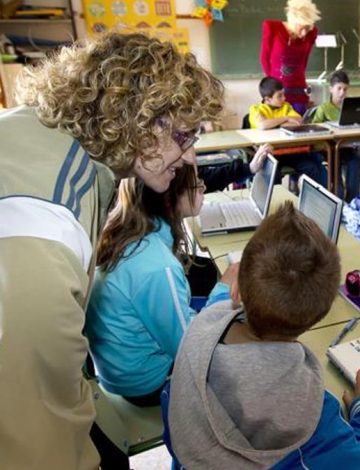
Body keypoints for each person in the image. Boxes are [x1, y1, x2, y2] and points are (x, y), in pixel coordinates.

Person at [0, 32, 225, 469]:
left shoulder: (34, 136)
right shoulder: (49, 222)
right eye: (184, 135)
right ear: (138, 122)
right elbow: (38, 442)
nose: (190, 156)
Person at [167, 202, 360, 469]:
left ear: (236, 292)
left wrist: (224, 291)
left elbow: (216, 308)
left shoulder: (199, 329)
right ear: (317, 318)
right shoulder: (310, 416)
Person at [86, 163, 249, 407]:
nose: (203, 189)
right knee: (246, 353)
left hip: (117, 367)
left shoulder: (124, 230)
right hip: (145, 384)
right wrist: (224, 290)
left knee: (209, 292)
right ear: (171, 199)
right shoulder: (157, 266)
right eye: (197, 185)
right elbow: (191, 349)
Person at [249, 76, 327, 187]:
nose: (284, 98)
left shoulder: (286, 106)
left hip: (290, 151)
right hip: (270, 154)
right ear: (267, 99)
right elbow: (262, 125)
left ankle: (311, 200)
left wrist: (273, 124)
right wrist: (285, 119)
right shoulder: (256, 109)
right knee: (272, 172)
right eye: (279, 96)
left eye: (283, 94)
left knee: (312, 167)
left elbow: (299, 121)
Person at [260, 0, 321, 114]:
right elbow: (264, 58)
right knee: (278, 125)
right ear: (293, 20)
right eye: (301, 27)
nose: (304, 33)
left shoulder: (311, 33)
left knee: (299, 123)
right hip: (277, 92)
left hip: (299, 90)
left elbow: (304, 61)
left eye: (307, 28)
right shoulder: (272, 27)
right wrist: (272, 87)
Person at [311, 69, 360, 201]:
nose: (342, 93)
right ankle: (338, 199)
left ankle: (352, 200)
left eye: (345, 89)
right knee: (336, 170)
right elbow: (313, 129)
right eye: (339, 88)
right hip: (329, 150)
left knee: (355, 162)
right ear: (331, 89)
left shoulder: (352, 107)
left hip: (347, 147)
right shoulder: (324, 108)